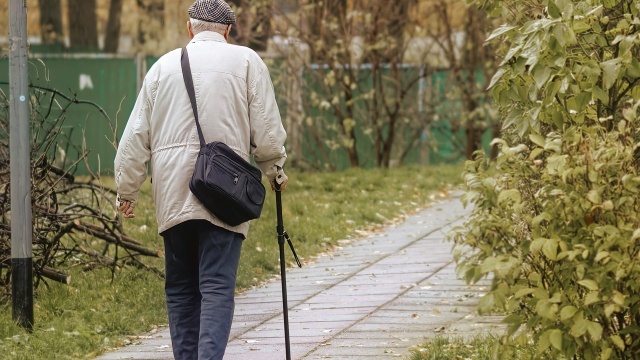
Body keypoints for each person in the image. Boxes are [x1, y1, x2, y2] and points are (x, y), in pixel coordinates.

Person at [114, 0, 288, 358]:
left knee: (180, 289)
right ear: (227, 30)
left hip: (174, 193)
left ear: (190, 28)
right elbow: (267, 130)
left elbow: (135, 136)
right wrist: (275, 169)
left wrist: (125, 190)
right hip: (225, 192)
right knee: (217, 287)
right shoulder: (246, 61)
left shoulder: (162, 68)